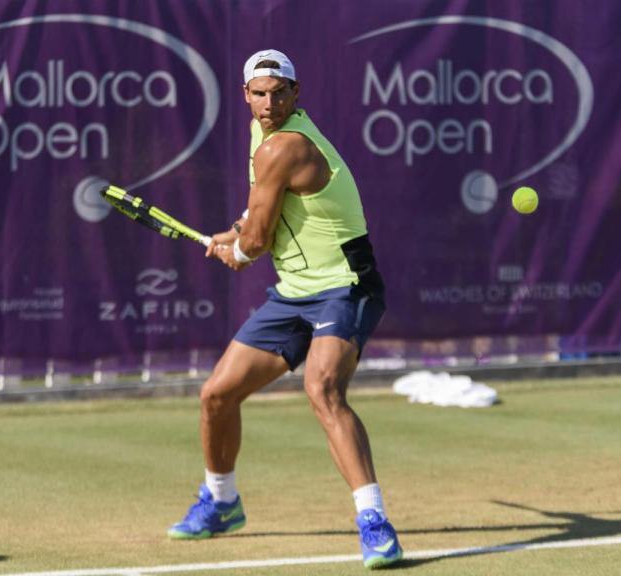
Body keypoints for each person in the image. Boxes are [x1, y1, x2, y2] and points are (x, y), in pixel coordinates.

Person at [166, 49, 403, 569]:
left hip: (346, 285)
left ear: (296, 95)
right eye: (259, 93)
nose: (269, 103)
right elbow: (262, 217)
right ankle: (222, 501)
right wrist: (234, 237)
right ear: (245, 97)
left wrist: (241, 250)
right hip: (297, 290)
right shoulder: (264, 138)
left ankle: (374, 522)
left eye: (279, 92)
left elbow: (258, 238)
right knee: (217, 395)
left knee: (322, 388)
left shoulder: (288, 145)